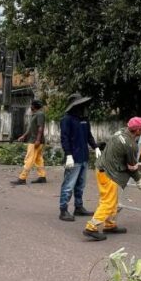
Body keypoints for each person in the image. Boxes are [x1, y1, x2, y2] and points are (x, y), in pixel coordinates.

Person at [84, 116, 141, 241]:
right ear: (137, 131)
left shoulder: (121, 131)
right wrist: (138, 180)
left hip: (102, 169)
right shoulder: (130, 145)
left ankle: (110, 225)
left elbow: (139, 126)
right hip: (108, 173)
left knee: (112, 200)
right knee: (108, 202)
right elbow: (132, 167)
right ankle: (91, 227)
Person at [57, 93, 100, 222]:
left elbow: (89, 136)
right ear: (74, 105)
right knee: (69, 185)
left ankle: (78, 207)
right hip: (73, 158)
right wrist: (68, 154)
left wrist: (95, 147)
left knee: (81, 185)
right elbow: (64, 139)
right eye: (80, 104)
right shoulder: (67, 119)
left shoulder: (84, 119)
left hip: (84, 157)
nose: (83, 106)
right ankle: (63, 210)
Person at [11, 99, 47, 185]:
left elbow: (40, 128)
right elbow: (30, 128)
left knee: (29, 159)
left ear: (33, 106)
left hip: (35, 141)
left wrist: (37, 140)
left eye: (31, 105)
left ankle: (22, 178)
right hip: (34, 140)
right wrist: (24, 136)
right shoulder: (34, 114)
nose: (30, 107)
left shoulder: (40, 114)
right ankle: (42, 177)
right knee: (38, 159)